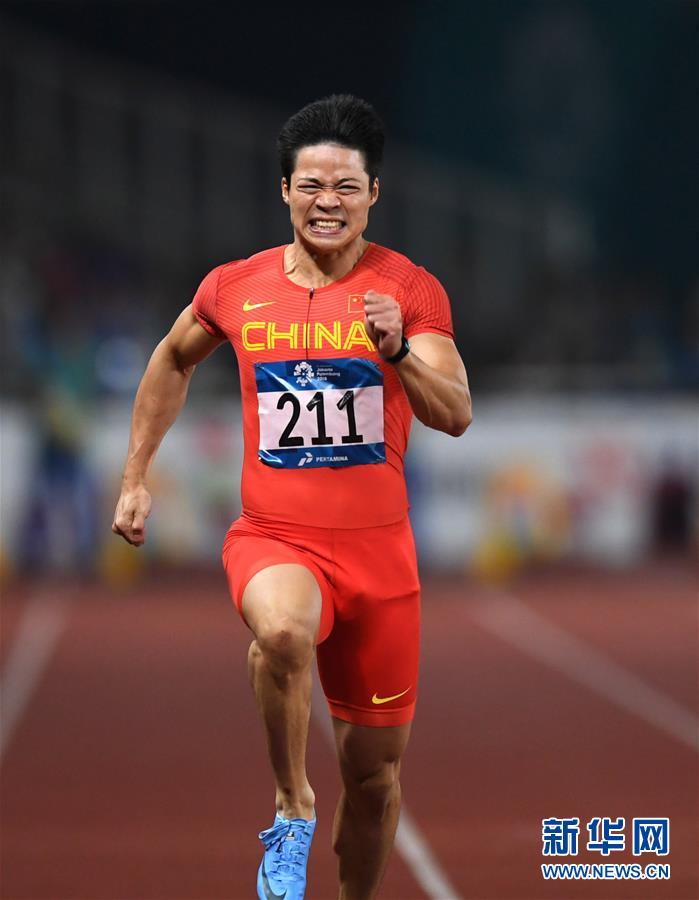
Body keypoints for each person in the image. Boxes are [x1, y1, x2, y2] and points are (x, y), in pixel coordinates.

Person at [112, 94, 471, 900]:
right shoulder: (234, 287)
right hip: (276, 536)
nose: (326, 202)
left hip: (380, 562)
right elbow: (172, 358)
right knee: (280, 632)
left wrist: (399, 351)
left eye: (344, 187)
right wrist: (135, 476)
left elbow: (454, 413)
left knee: (373, 781)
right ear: (284, 191)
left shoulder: (410, 290)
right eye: (310, 186)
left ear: (372, 193)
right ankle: (291, 804)